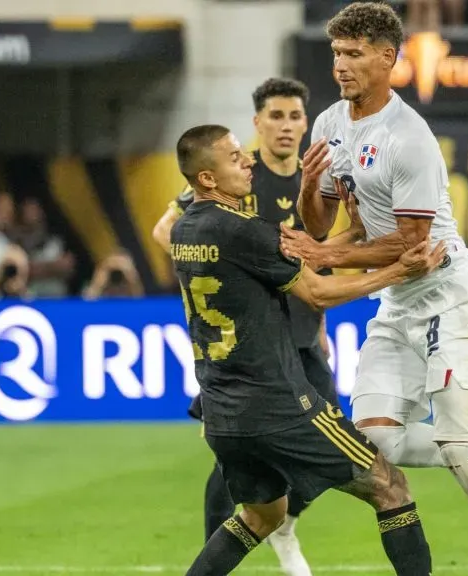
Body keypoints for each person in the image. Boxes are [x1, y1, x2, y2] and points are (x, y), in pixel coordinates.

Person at [279, 3, 468, 575]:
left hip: (450, 294)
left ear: (388, 58)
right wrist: (308, 187)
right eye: (337, 54)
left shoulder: (408, 136)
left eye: (354, 54)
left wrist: (327, 256)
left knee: (458, 444)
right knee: (376, 447)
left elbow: (412, 242)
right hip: (397, 304)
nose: (341, 66)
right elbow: (318, 224)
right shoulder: (328, 125)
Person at [171, 124, 443, 576]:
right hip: (277, 405)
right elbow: (316, 293)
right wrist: (399, 271)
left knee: (263, 516)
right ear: (208, 179)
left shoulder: (187, 230)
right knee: (390, 486)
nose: (248, 162)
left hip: (223, 411)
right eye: (235, 157)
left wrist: (353, 233)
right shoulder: (243, 229)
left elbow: (291, 258)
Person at [152, 78, 329, 576]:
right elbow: (166, 231)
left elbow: (315, 260)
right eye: (276, 116)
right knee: (231, 459)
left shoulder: (312, 180)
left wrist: (318, 324)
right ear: (258, 123)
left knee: (331, 438)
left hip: (302, 332)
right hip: (245, 342)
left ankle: (282, 522)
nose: (287, 126)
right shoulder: (234, 172)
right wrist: (218, 283)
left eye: (296, 116)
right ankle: (220, 546)